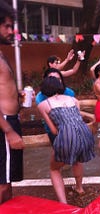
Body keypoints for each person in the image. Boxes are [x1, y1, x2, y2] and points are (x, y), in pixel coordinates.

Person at [37, 76, 95, 204]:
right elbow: (77, 119)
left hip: (67, 134)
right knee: (77, 160)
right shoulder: (73, 99)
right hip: (85, 132)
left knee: (54, 169)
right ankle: (80, 188)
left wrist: (65, 137)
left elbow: (53, 131)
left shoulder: (43, 105)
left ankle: (63, 203)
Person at [0, 3, 25, 204]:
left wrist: (16, 95)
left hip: (10, 120)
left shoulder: (1, 54)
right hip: (4, 125)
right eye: (6, 26)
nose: (11, 31)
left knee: (8, 181)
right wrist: (9, 131)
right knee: (2, 184)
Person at [36, 68, 75, 142]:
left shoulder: (70, 93)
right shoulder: (40, 98)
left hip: (72, 130)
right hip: (53, 128)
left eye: (58, 79)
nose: (55, 82)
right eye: (52, 78)